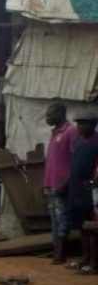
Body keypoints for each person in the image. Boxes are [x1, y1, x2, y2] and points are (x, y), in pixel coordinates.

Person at [43, 103, 76, 264]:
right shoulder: (55, 132)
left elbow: (75, 161)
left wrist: (66, 183)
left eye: (50, 115)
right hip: (51, 185)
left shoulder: (70, 131)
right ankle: (56, 249)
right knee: (55, 219)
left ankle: (61, 253)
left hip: (62, 185)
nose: (47, 118)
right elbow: (51, 162)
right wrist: (46, 183)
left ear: (60, 113)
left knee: (62, 218)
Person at [66, 111, 98, 273]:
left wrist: (93, 182)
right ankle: (84, 258)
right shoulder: (77, 141)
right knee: (81, 226)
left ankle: (94, 263)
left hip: (91, 192)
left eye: (83, 123)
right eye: (78, 123)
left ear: (93, 124)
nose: (79, 126)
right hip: (76, 190)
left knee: (93, 228)